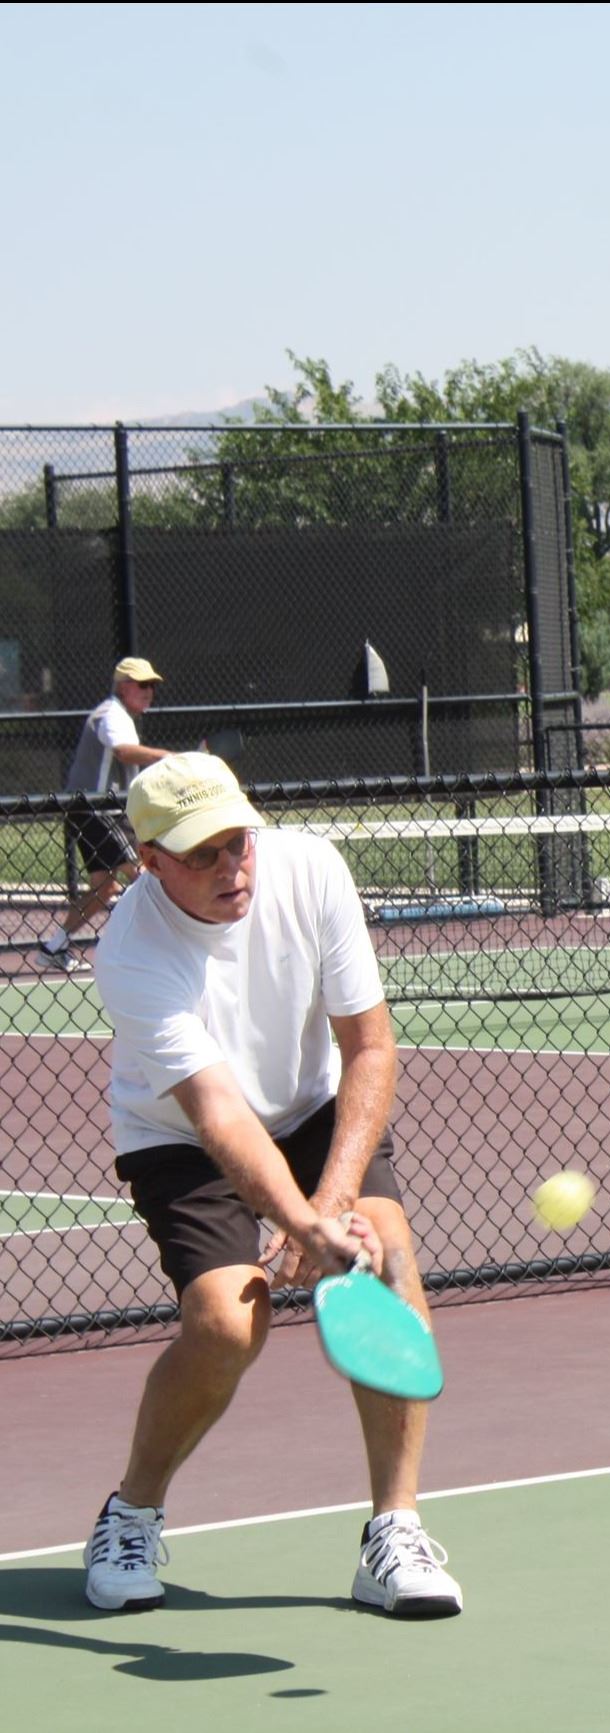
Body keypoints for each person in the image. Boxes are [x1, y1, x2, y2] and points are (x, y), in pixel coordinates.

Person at [82, 753, 462, 1617]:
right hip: (181, 1135)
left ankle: (393, 1533)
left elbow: (369, 1046)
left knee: (387, 1257)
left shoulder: (313, 869)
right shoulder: (131, 952)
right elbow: (217, 1112)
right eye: (202, 853)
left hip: (314, 1104)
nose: (232, 866)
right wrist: (292, 1217)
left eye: (238, 842)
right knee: (225, 1322)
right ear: (148, 860)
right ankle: (131, 1512)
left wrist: (324, 1212)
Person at [37, 657, 173, 972]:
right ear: (124, 686)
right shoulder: (111, 714)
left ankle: (53, 946)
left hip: (97, 810)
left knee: (105, 887)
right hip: (98, 811)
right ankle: (162, 947)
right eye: (142, 685)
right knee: (144, 871)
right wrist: (168, 756)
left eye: (152, 685)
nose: (149, 691)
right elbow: (124, 751)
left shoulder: (121, 714)